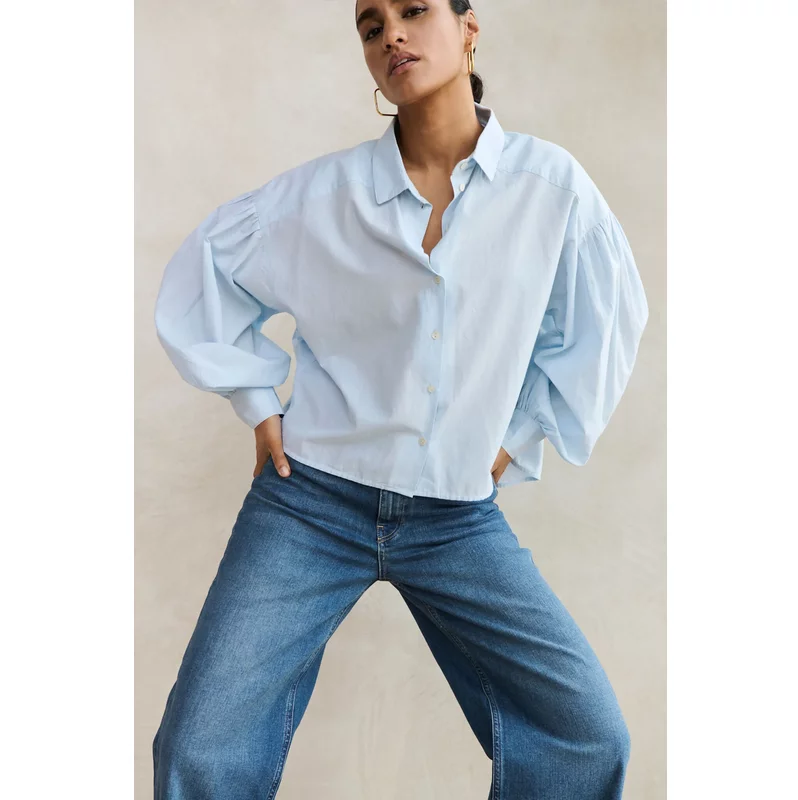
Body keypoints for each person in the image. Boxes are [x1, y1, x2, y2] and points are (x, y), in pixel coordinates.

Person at [151, 1, 649, 797]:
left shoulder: (551, 189)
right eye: (371, 25)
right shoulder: (326, 193)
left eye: (414, 10)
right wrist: (257, 402)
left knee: (585, 735)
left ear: (469, 27)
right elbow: (205, 272)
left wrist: (519, 437)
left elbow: (603, 325)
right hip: (309, 503)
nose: (392, 35)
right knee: (200, 744)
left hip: (455, 516)